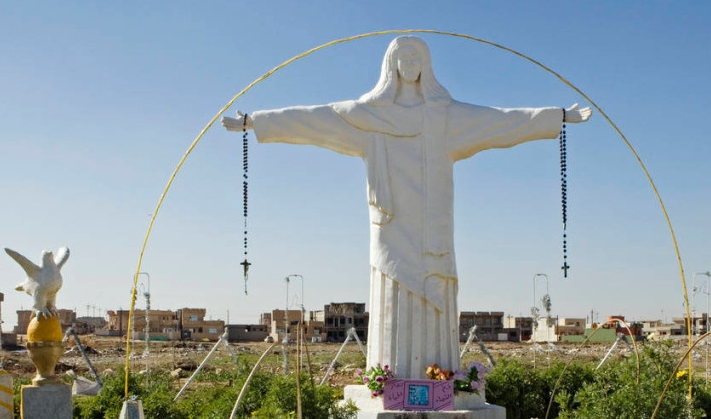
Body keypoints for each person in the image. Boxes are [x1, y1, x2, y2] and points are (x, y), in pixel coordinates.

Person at [225, 36, 591, 379]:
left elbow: (502, 121)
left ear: (427, 65)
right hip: (389, 225)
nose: (411, 63)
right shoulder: (365, 117)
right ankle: (386, 379)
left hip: (434, 231)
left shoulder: (444, 116)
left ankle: (442, 378)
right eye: (404, 57)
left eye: (418, 57)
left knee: (434, 296)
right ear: (392, 65)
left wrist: (555, 117)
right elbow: (311, 121)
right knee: (392, 295)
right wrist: (255, 122)